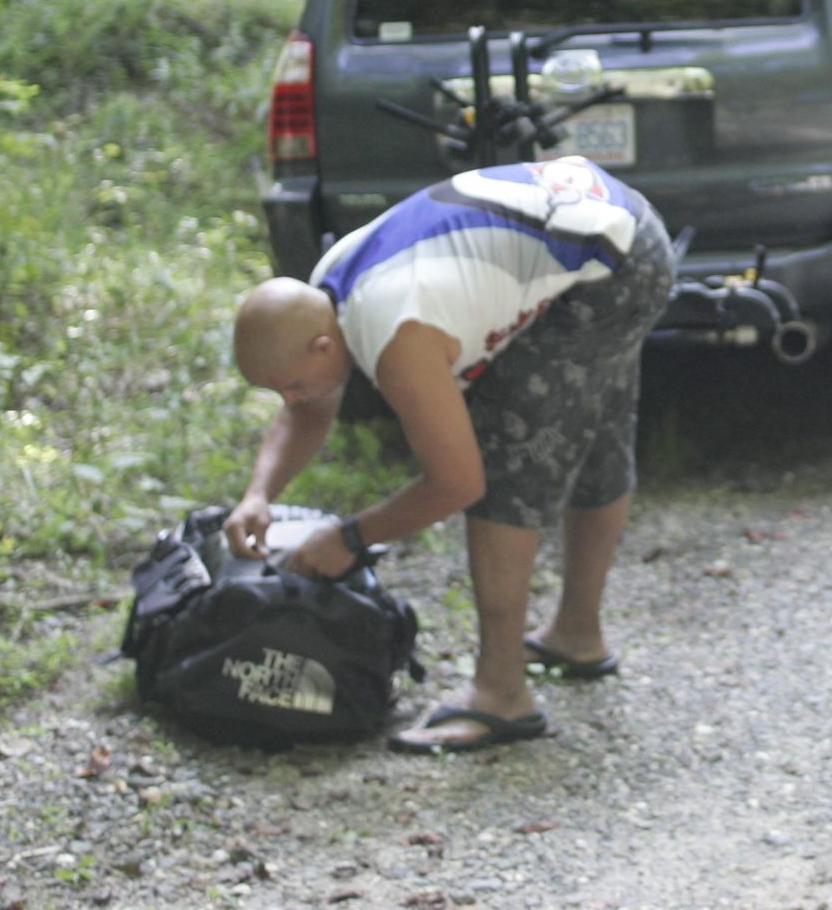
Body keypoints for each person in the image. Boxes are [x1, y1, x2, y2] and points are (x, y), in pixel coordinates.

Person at [225, 156, 675, 754]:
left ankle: (501, 697)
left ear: (323, 345)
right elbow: (308, 407)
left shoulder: (398, 334)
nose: (291, 399)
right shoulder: (327, 287)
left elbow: (457, 483)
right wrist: (259, 496)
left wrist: (349, 538)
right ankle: (575, 634)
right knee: (592, 428)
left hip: (613, 261)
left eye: (291, 384)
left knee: (507, 460)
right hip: (617, 224)